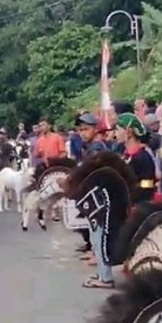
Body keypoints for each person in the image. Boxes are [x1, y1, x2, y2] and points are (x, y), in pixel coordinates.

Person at [74, 112, 113, 289]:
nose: (83, 133)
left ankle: (105, 278)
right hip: (95, 197)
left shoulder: (97, 149)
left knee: (99, 238)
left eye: (86, 129)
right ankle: (102, 273)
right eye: (80, 129)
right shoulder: (92, 147)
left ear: (95, 129)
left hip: (99, 197)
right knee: (95, 237)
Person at [115, 113, 156, 201]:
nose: (115, 134)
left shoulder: (142, 156)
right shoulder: (125, 154)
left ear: (129, 132)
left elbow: (147, 185)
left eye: (118, 130)